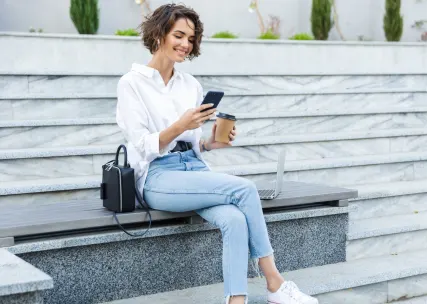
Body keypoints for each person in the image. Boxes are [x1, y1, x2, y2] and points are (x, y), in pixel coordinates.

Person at [115, 3, 319, 304]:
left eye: (191, 38)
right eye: (179, 35)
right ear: (159, 34)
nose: (186, 44)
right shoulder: (131, 84)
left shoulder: (190, 85)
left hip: (194, 170)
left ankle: (236, 300)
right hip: (157, 176)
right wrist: (180, 124)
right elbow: (142, 146)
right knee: (246, 188)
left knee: (235, 220)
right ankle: (274, 281)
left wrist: (211, 142)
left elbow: (194, 143)